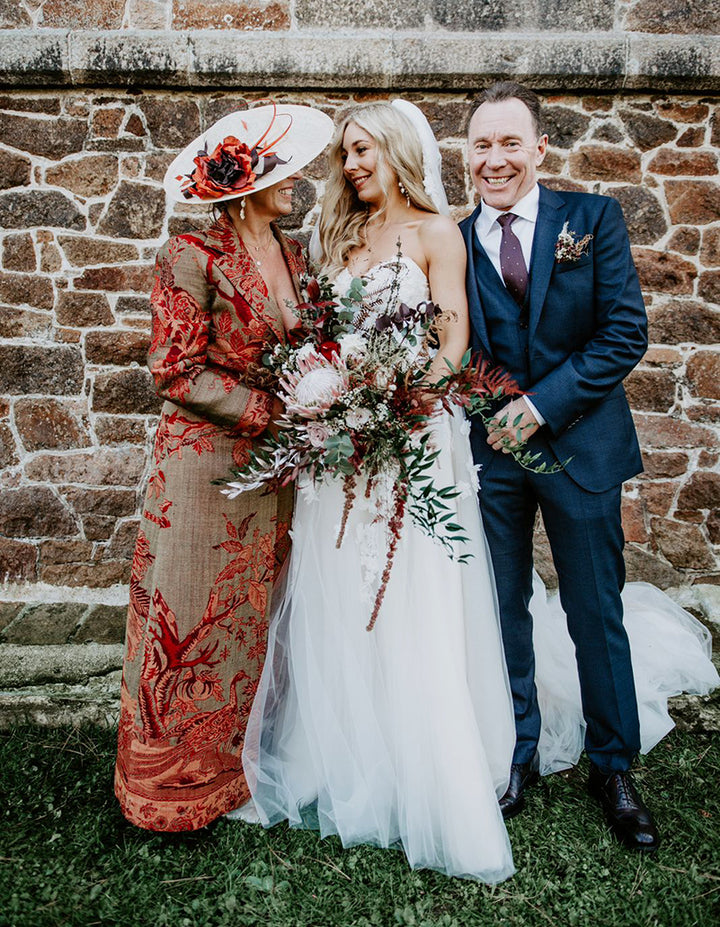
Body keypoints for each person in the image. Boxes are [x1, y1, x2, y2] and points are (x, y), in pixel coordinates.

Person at [242, 101, 518, 881]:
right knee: (340, 593)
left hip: (408, 437)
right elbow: (319, 337)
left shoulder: (438, 234)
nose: (351, 165)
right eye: (345, 154)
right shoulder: (340, 236)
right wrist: (332, 396)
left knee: (412, 596)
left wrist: (396, 402)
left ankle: (423, 759)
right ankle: (341, 754)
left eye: (361, 150)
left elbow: (454, 338)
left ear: (397, 150)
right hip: (340, 445)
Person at [458, 80, 717, 849]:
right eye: (481, 144)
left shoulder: (592, 220)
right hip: (494, 458)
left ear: (540, 148)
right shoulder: (455, 237)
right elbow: (455, 346)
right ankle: (518, 751)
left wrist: (537, 407)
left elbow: (622, 333)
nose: (495, 158)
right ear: (464, 154)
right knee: (499, 610)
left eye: (510, 142)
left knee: (594, 614)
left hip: (580, 449)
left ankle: (613, 766)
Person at [114, 103, 334, 831]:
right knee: (185, 618)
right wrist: (271, 410)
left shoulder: (296, 255)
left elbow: (308, 343)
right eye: (283, 173)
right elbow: (174, 368)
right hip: (199, 469)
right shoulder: (190, 253)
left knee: (245, 620)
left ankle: (231, 766)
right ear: (248, 185)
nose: (296, 181)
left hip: (272, 473)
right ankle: (166, 784)